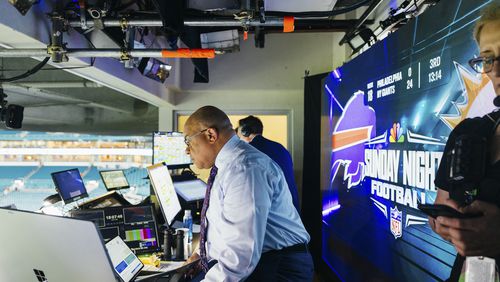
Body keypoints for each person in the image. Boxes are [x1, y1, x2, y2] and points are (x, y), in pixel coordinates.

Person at [183, 106, 313, 282]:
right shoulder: (229, 166)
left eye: (188, 141)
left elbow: (240, 255)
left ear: (210, 135)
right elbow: (219, 224)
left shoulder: (244, 169)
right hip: (263, 261)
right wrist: (199, 255)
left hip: (280, 268)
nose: (187, 150)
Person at [430, 2, 500, 281]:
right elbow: (440, 204)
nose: (495, 69)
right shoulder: (470, 131)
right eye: (488, 58)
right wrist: (446, 224)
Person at [236, 115, 300, 212]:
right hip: (291, 208)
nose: (238, 137)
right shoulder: (280, 148)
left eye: (239, 133)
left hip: (274, 210)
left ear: (246, 132)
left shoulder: (249, 151)